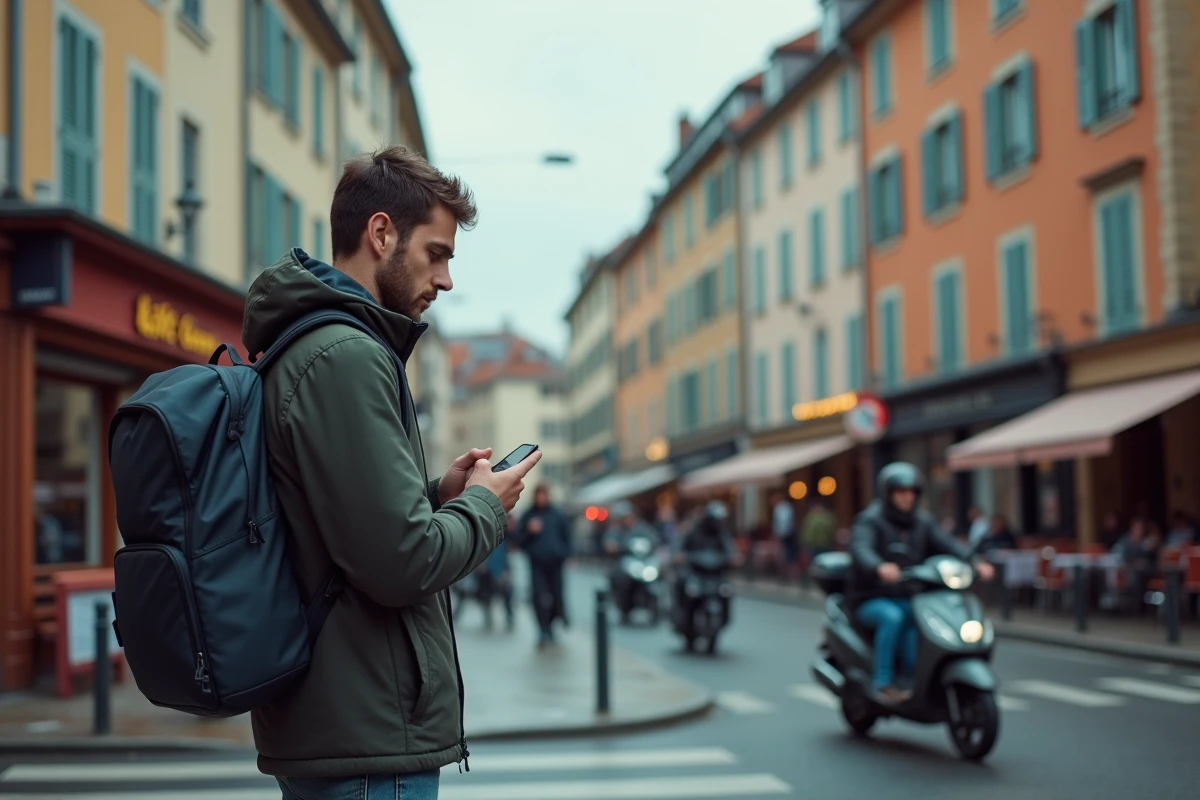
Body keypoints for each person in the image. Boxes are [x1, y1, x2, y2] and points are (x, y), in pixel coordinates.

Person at [244, 146, 541, 800]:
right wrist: (486, 506)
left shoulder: (316, 343)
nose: (446, 280)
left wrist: (437, 496)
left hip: (345, 727)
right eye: (437, 254)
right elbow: (402, 562)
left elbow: (338, 526)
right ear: (381, 234)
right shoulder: (345, 355)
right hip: (368, 739)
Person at [848, 462, 995, 704]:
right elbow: (861, 549)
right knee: (892, 617)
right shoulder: (870, 520)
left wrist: (975, 562)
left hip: (910, 595)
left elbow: (948, 544)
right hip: (871, 596)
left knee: (925, 619)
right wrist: (879, 567)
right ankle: (883, 682)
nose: (908, 497)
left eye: (912, 492)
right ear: (888, 493)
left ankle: (913, 678)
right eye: (901, 492)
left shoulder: (922, 521)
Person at [512, 484, 571, 649]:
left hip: (556, 563)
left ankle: (553, 624)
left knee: (556, 596)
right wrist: (529, 531)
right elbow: (519, 540)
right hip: (536, 563)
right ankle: (543, 629)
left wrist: (567, 554)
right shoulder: (529, 515)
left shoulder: (557, 514)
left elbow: (566, 535)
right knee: (538, 598)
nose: (541, 499)